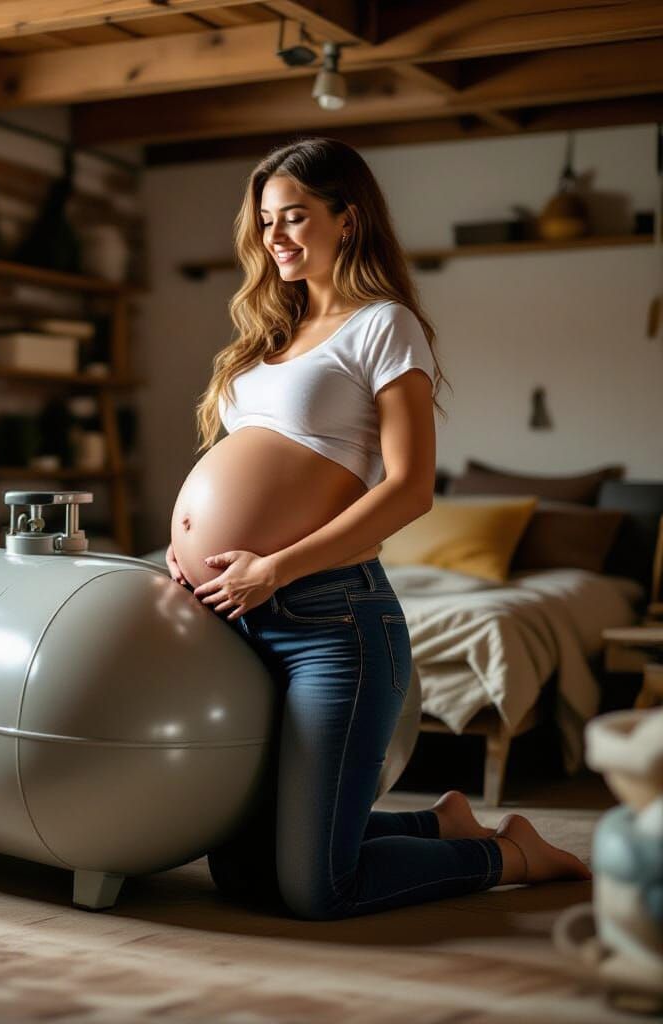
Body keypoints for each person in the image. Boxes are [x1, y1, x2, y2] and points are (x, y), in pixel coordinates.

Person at [164, 137, 590, 921]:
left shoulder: (383, 326)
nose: (275, 238)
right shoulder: (267, 336)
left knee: (321, 889)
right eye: (265, 222)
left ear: (347, 220)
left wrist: (276, 565)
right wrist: (185, 542)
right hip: (236, 617)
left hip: (332, 622)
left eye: (295, 217)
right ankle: (438, 821)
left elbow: (410, 489)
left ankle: (508, 853)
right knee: (241, 870)